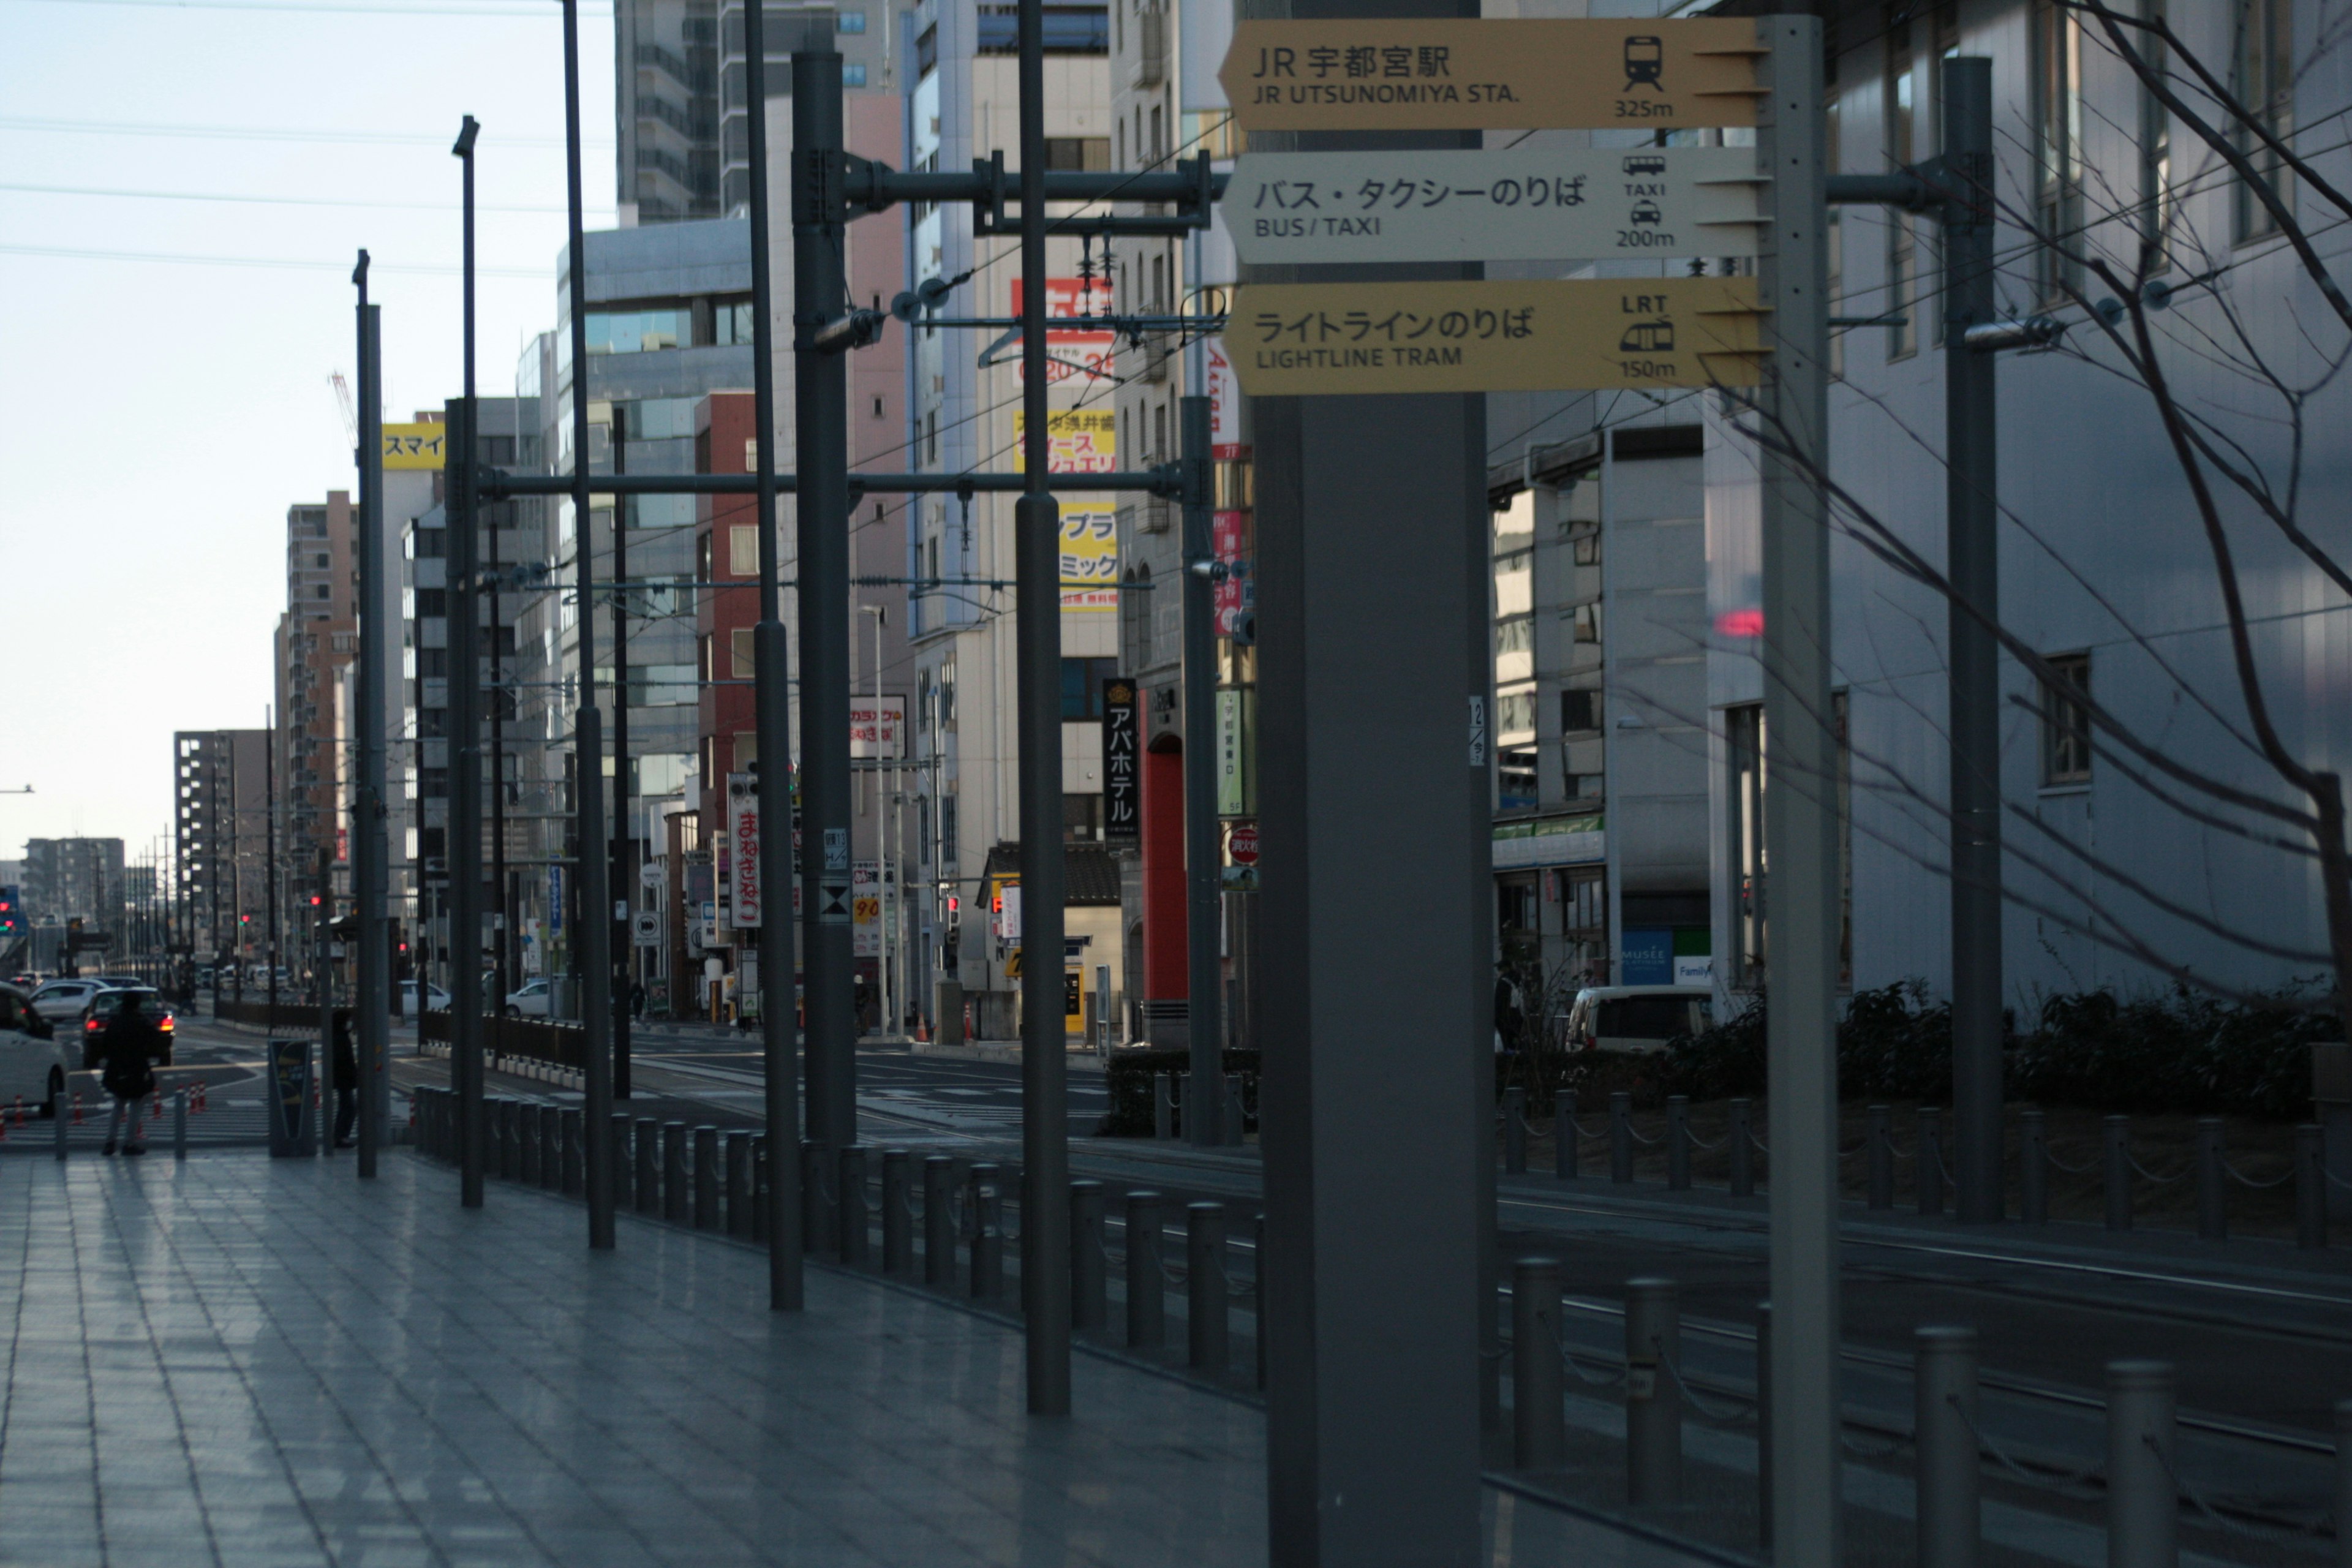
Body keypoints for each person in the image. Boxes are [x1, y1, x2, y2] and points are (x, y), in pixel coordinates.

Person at [97, 993, 161, 1156]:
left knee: (118, 1104)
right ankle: (129, 1143)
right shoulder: (141, 1022)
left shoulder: (116, 1022)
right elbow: (156, 1042)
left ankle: (110, 1143)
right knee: (136, 1105)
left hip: (117, 1068)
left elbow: (105, 1045)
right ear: (137, 1005)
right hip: (137, 1067)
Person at [331, 1010, 358, 1149]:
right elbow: (342, 1060)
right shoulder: (340, 1038)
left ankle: (340, 1136)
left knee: (346, 1107)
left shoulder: (339, 1036)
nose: (351, 1022)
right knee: (349, 1107)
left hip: (344, 1078)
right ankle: (341, 1137)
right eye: (349, 1020)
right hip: (344, 1078)